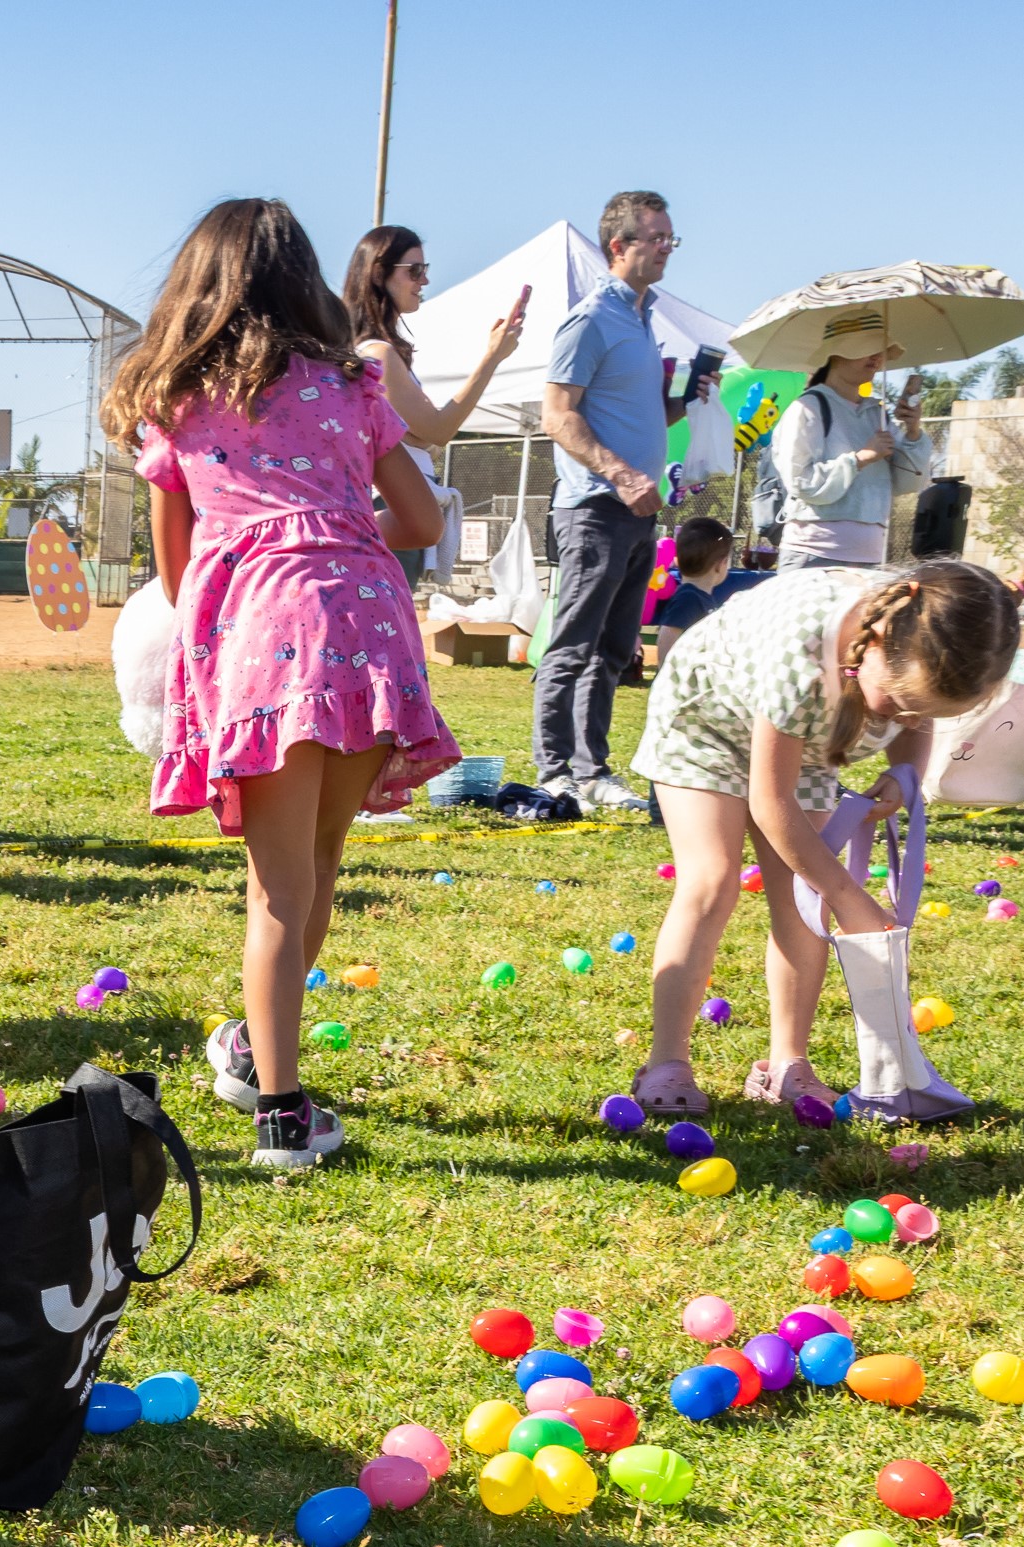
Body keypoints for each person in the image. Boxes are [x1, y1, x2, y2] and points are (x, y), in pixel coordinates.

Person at [104, 197, 451, 1171]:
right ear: (305, 280)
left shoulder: (178, 402)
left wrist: (262, 558)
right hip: (369, 627)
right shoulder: (353, 386)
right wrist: (330, 536)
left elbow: (178, 578)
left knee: (274, 890)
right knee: (322, 860)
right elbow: (419, 523)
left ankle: (279, 1117)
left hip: (263, 635)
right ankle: (256, 1049)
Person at [624, 559, 1015, 1123]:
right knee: (711, 880)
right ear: (877, 639)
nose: (905, 717)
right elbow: (770, 802)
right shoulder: (805, 649)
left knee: (803, 903)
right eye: (901, 701)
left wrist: (905, 775)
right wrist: (852, 897)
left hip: (805, 738)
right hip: (704, 725)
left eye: (921, 711)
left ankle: (786, 1063)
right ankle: (667, 1061)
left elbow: (915, 722)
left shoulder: (909, 649)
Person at [533, 191, 695, 811]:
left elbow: (634, 412)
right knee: (574, 644)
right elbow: (558, 415)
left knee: (615, 650)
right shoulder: (592, 318)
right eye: (655, 237)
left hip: (635, 514)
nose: (665, 248)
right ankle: (554, 772)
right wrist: (622, 474)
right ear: (617, 247)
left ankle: (592, 770)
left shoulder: (642, 319)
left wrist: (682, 400)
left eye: (670, 238)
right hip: (595, 508)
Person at [339, 223, 526, 578]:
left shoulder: (372, 351)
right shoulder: (379, 354)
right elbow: (439, 430)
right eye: (414, 271)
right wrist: (492, 358)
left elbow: (423, 434)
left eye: (424, 270)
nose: (424, 281)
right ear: (379, 274)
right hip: (393, 507)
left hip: (390, 507)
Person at [771, 337, 932, 570]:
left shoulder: (877, 414)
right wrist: (860, 458)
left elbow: (908, 482)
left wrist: (913, 430)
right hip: (813, 556)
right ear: (834, 355)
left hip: (870, 560)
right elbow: (801, 481)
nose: (877, 357)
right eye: (866, 348)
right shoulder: (807, 408)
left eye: (880, 351)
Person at [647, 514, 744, 667]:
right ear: (721, 564)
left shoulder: (697, 597)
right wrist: (668, 676)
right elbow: (667, 635)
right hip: (683, 682)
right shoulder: (689, 598)